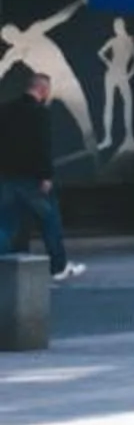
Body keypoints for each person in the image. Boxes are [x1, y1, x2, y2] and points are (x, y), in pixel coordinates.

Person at [0, 71, 79, 282]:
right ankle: (58, 266)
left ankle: (4, 267)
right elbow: (43, 146)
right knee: (51, 223)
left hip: (7, 177)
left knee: (6, 225)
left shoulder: (6, 110)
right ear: (42, 90)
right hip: (33, 179)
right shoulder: (40, 113)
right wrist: (46, 176)